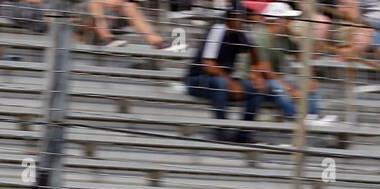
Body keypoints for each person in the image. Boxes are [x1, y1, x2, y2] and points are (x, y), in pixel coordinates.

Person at [186, 2, 265, 142]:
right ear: (232, 17)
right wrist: (231, 83)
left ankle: (243, 134)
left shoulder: (239, 34)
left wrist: (257, 74)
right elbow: (208, 65)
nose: (243, 21)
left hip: (221, 81)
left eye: (243, 17)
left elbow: (255, 53)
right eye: (240, 17)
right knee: (221, 82)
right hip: (197, 80)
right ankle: (220, 131)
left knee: (255, 89)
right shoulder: (218, 29)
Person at [255, 2, 337, 125]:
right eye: (288, 19)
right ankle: (295, 119)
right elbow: (266, 71)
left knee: (307, 83)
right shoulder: (262, 37)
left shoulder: (283, 36)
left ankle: (313, 116)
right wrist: (290, 89)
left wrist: (309, 77)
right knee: (279, 87)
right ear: (278, 20)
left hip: (275, 78)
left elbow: (300, 55)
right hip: (261, 79)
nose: (291, 21)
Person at [79, 0, 169, 49]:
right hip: (87, 16)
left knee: (130, 6)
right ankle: (107, 38)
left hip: (112, 14)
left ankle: (157, 42)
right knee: (95, 2)